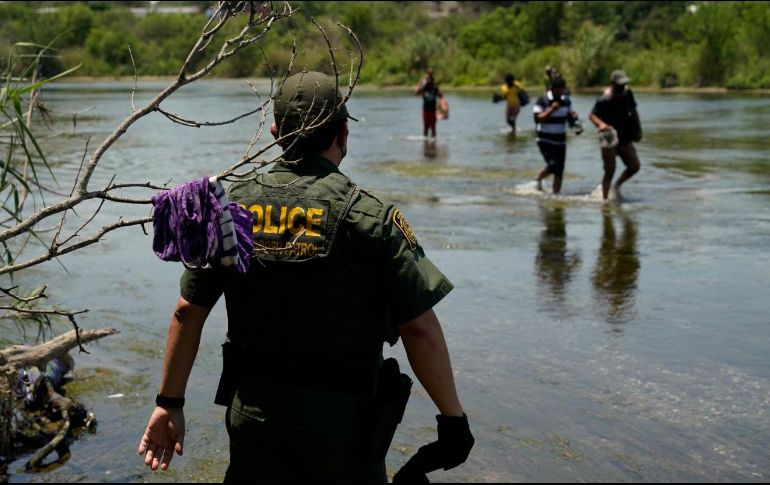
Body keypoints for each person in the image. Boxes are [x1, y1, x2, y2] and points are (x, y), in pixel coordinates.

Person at [137, 71, 474, 483]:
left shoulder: (228, 209)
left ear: (277, 134)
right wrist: (452, 420)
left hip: (254, 417)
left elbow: (187, 313)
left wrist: (168, 402)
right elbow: (419, 329)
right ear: (343, 134)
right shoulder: (370, 218)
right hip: (343, 427)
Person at [589, 70, 642, 201]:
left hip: (625, 137)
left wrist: (638, 129)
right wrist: (601, 124)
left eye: (623, 85)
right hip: (609, 137)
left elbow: (634, 111)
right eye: (619, 85)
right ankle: (605, 200)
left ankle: (616, 185)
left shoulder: (628, 94)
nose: (622, 88)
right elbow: (592, 116)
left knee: (634, 166)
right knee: (610, 170)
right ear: (612, 84)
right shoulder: (603, 100)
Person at [532, 77, 580, 194]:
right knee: (553, 165)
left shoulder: (566, 101)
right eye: (558, 90)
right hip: (545, 139)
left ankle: (556, 195)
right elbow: (537, 119)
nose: (560, 92)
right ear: (552, 89)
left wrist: (574, 120)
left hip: (560, 140)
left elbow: (570, 120)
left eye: (562, 90)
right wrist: (551, 110)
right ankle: (538, 179)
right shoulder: (542, 100)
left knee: (559, 170)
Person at [415, 68, 442, 138]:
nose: (430, 78)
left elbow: (440, 95)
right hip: (426, 110)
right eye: (429, 75)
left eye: (431, 75)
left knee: (433, 129)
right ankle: (426, 145)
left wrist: (436, 86)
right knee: (425, 128)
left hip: (433, 111)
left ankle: (433, 144)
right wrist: (422, 83)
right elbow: (416, 93)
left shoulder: (434, 86)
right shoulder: (424, 86)